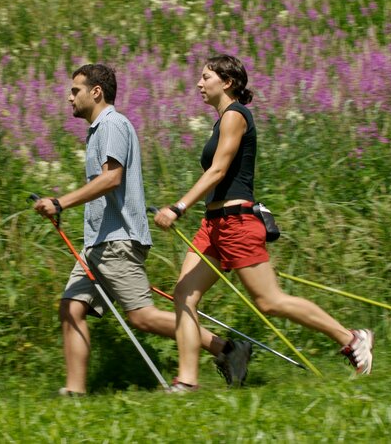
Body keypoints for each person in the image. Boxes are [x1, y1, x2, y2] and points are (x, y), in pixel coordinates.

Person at [153, 54, 374, 392]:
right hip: (213, 225)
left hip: (237, 222)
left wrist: (179, 206)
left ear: (227, 83)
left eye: (205, 77)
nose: (199, 84)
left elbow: (218, 170)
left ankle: (350, 338)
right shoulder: (220, 121)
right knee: (183, 295)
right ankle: (187, 382)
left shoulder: (236, 116)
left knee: (269, 301)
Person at [34, 63, 253, 396]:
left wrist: (61, 203)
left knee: (142, 316)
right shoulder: (98, 130)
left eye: (74, 90)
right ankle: (75, 392)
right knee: (71, 307)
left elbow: (112, 178)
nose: (69, 98)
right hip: (97, 243)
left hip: (117, 240)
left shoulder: (112, 125)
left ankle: (225, 349)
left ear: (96, 92)